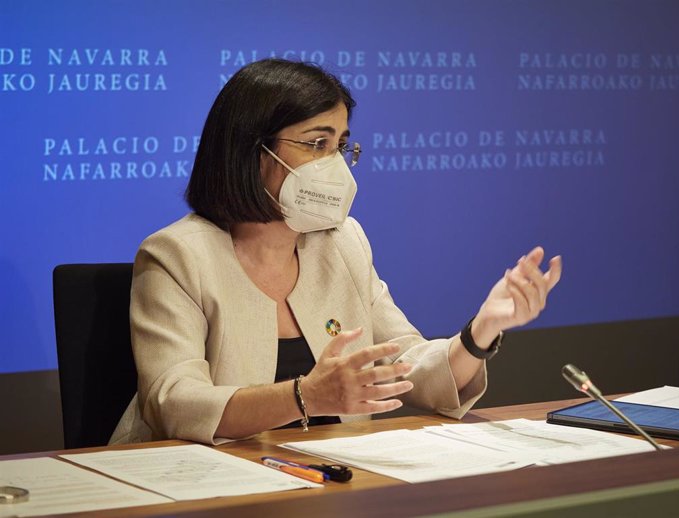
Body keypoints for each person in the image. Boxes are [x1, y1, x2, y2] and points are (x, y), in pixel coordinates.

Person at [110, 59, 562, 445]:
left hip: (326, 481)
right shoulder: (176, 255)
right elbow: (173, 402)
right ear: (251, 150)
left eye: (341, 146)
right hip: (200, 486)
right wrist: (307, 396)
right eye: (315, 144)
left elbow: (404, 364)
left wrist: (481, 330)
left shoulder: (342, 241)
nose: (334, 163)